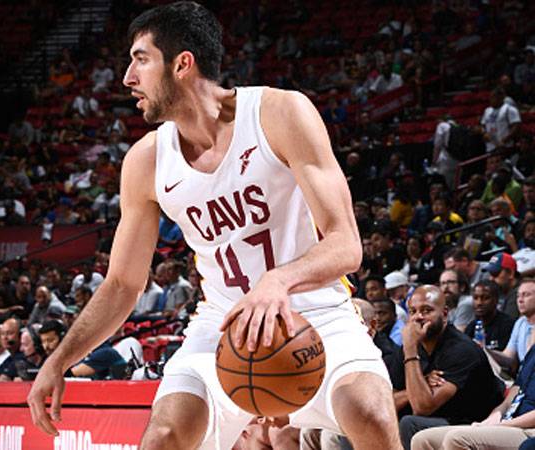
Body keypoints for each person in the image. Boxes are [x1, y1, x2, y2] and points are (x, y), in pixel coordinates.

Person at [28, 3, 401, 449]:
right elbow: (123, 285)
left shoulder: (279, 113)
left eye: (140, 59)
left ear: (182, 64)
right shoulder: (146, 161)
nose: (127, 77)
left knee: (372, 415)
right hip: (221, 329)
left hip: (317, 315)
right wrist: (58, 360)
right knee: (164, 435)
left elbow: (345, 244)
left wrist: (279, 280)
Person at [392, 286, 504, 449]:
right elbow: (389, 403)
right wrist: (421, 383)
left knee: (410, 423)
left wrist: (410, 350)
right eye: (413, 311)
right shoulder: (407, 347)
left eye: (426, 310)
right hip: (439, 420)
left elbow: (422, 408)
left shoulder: (461, 350)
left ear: (444, 314)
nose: (418, 317)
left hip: (472, 424)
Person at [411, 343, 535, 449]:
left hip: (528, 430)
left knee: (457, 439)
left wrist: (502, 425)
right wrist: (496, 414)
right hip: (508, 422)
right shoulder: (532, 351)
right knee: (422, 439)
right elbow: (514, 393)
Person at [489, 278, 535, 375]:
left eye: (526, 295)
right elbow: (508, 357)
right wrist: (485, 351)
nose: (520, 300)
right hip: (523, 379)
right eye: (518, 296)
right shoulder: (520, 323)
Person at [465, 280, 515, 351]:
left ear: (496, 300)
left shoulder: (508, 325)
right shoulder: (471, 327)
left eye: (485, 298)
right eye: (475, 298)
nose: (479, 303)